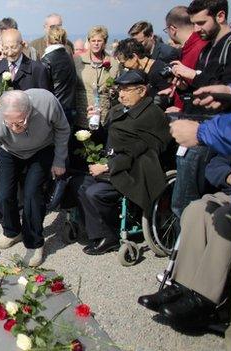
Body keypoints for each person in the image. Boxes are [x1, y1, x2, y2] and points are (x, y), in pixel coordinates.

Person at [169, 2, 231, 347]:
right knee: (195, 210)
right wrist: (230, 93)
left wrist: (202, 133)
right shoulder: (224, 44)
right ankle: (187, 290)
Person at [168, 0, 231, 221]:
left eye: (201, 23)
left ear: (220, 16)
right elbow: (207, 85)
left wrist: (193, 75)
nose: (196, 29)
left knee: (186, 203)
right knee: (187, 203)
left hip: (215, 134)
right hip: (202, 131)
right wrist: (187, 85)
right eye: (193, 24)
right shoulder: (208, 47)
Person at [77, 70, 171, 255]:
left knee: (95, 192)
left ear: (142, 91)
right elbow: (105, 139)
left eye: (127, 90)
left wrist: (108, 166)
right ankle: (98, 232)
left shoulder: (152, 115)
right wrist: (93, 124)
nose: (121, 94)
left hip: (136, 170)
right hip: (115, 163)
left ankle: (110, 236)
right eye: (120, 89)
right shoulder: (117, 109)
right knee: (79, 185)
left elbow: (143, 150)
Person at [138, 154, 231, 324]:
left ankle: (205, 299)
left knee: (225, 218)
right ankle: (181, 286)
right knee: (196, 210)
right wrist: (228, 175)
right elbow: (216, 163)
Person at [0, 89, 69, 267]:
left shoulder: (46, 102)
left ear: (30, 111)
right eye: (9, 124)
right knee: (4, 194)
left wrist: (59, 159)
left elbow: (62, 128)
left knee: (32, 194)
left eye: (19, 123)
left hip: (41, 148)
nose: (14, 128)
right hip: (9, 151)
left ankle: (34, 242)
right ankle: (12, 231)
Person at [0, 29, 50, 113]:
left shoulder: (38, 69)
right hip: (1, 120)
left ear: (22, 45)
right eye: (6, 48)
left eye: (13, 47)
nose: (10, 52)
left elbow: (45, 100)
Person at [74, 25, 120, 132]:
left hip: (104, 115)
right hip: (82, 114)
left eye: (99, 40)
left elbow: (117, 88)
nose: (96, 43)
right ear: (89, 42)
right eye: (93, 40)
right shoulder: (77, 60)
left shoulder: (113, 63)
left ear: (104, 42)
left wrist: (113, 91)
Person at [163, 5, 209, 110]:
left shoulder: (199, 49)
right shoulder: (197, 45)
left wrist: (183, 111)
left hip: (193, 115)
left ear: (172, 29)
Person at [114, 38, 171, 106]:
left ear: (134, 57)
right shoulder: (146, 72)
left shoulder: (159, 72)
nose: (124, 67)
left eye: (123, 63)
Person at [40, 25, 77, 124]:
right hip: (69, 107)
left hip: (54, 108)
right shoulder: (68, 57)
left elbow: (43, 88)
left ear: (47, 40)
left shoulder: (46, 60)